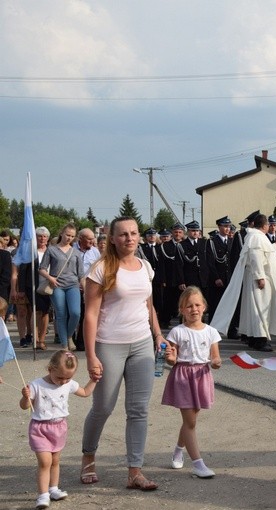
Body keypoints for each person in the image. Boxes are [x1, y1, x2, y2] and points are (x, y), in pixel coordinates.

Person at [80, 216, 170, 491]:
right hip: (109, 344)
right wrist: (92, 355)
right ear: (112, 239)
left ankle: (135, 471)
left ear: (139, 236)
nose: (129, 238)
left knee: (139, 410)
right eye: (123, 234)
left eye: (133, 233)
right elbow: (91, 315)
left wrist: (158, 335)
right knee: (103, 407)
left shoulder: (145, 267)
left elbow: (148, 306)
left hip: (142, 344)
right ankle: (88, 457)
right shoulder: (101, 269)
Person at [20, 350, 97, 510]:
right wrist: (25, 396)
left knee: (55, 461)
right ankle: (43, 495)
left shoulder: (68, 384)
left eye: (68, 378)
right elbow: (25, 406)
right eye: (60, 377)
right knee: (45, 462)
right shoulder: (36, 385)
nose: (63, 381)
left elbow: (84, 392)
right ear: (50, 369)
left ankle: (53, 489)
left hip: (59, 427)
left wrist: (94, 380)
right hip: (40, 428)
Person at [161, 286, 222, 479]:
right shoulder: (177, 332)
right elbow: (172, 359)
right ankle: (198, 463)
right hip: (183, 376)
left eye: (197, 305)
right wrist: (169, 357)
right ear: (181, 309)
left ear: (204, 306)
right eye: (188, 306)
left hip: (201, 377)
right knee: (191, 422)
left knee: (190, 421)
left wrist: (216, 362)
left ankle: (179, 449)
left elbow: (215, 358)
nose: (194, 309)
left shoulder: (211, 332)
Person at [211, 212, 276, 352]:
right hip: (260, 280)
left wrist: (274, 246)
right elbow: (255, 257)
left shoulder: (257, 237)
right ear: (264, 225)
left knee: (255, 310)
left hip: (257, 278)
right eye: (268, 224)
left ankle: (254, 338)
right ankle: (260, 340)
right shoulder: (256, 237)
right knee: (260, 310)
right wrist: (260, 276)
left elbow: (264, 253)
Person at [39, 223, 85, 351]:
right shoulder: (51, 249)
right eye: (67, 235)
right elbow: (42, 269)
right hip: (57, 285)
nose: (69, 238)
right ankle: (64, 344)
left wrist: (85, 289)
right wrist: (50, 278)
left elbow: (81, 274)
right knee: (61, 314)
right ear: (61, 233)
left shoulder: (76, 252)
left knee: (76, 313)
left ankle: (69, 335)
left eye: (72, 236)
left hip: (73, 285)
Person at [205, 216, 233, 323]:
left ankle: (230, 328)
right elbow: (210, 262)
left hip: (229, 277)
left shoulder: (232, 241)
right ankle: (213, 326)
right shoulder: (212, 242)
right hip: (217, 279)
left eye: (229, 226)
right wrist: (216, 278)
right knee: (215, 304)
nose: (227, 229)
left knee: (229, 304)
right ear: (219, 227)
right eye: (225, 226)